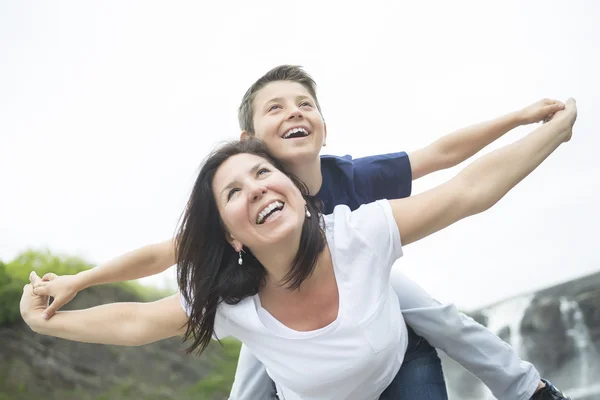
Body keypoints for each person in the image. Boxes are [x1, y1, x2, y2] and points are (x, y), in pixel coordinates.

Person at [31, 66, 573, 399]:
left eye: (305, 104)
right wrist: (79, 281)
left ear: (322, 123)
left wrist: (525, 121)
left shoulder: (354, 202)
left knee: (428, 308)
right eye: (276, 108)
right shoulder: (240, 226)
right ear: (251, 139)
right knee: (254, 355)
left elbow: (449, 168)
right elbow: (155, 274)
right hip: (274, 305)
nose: (295, 113)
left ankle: (525, 388)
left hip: (361, 286)